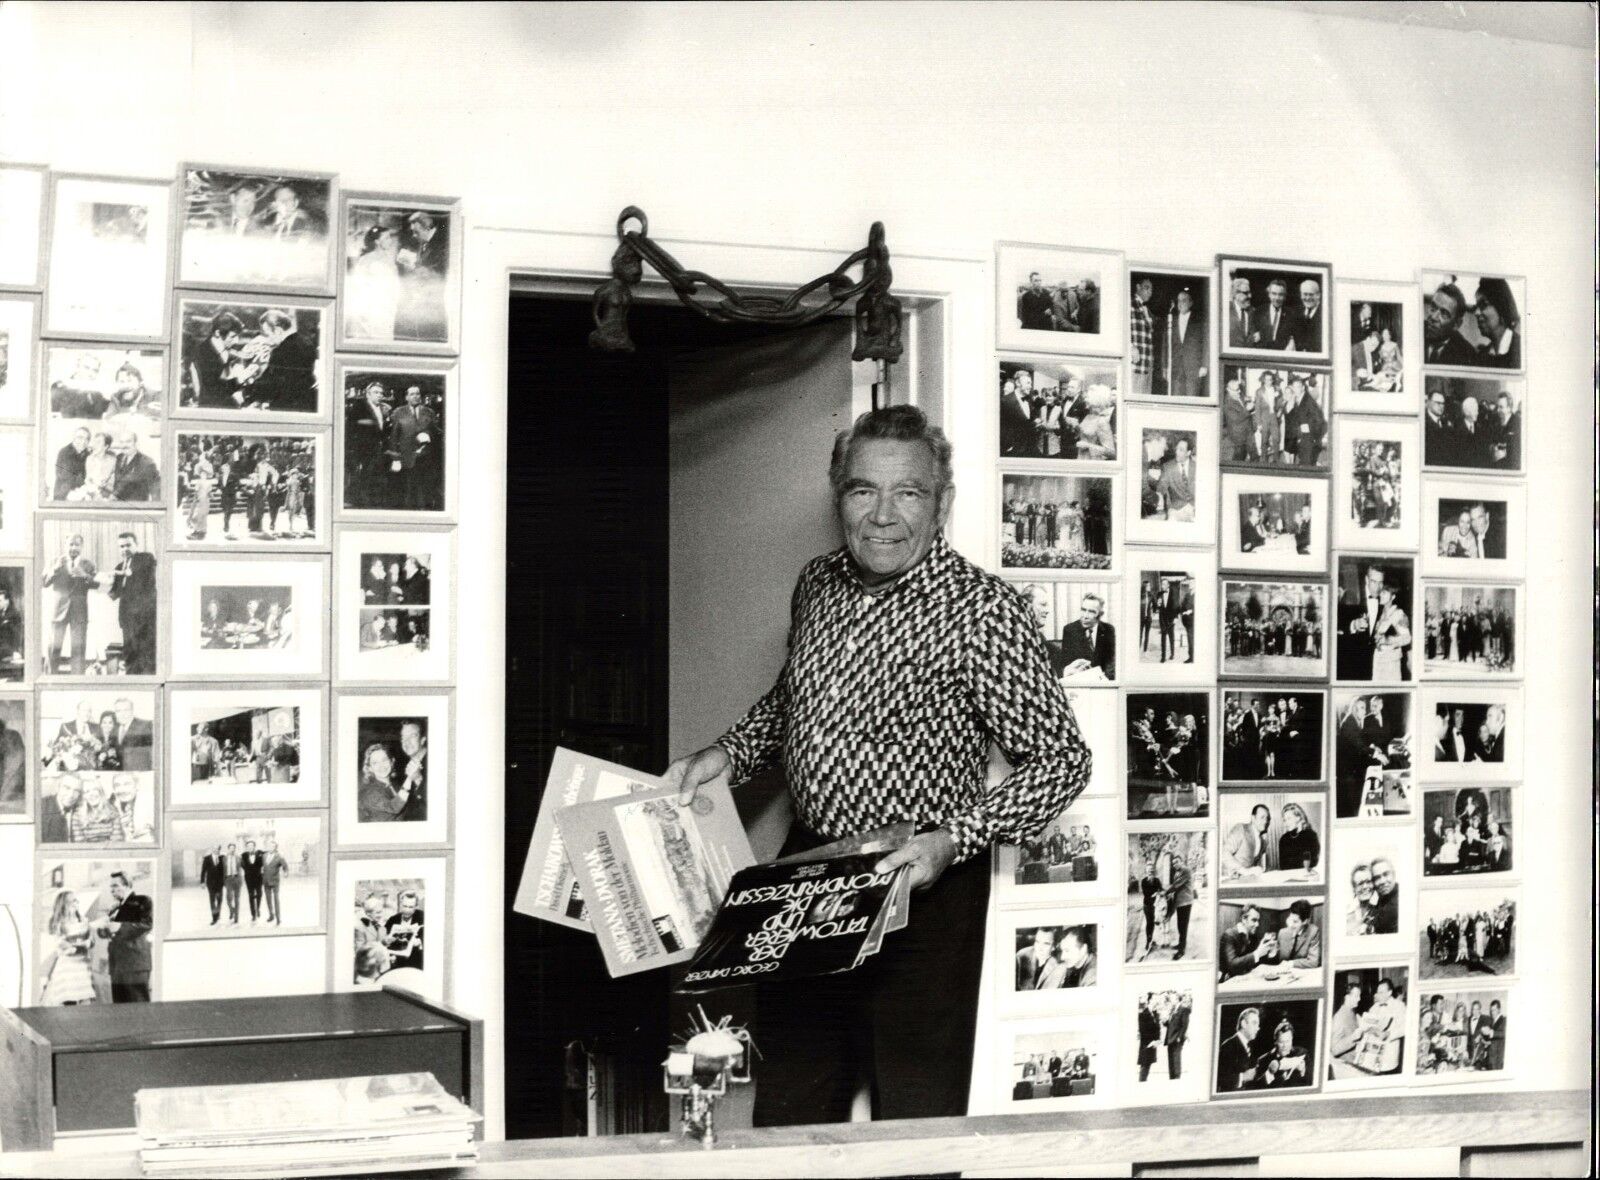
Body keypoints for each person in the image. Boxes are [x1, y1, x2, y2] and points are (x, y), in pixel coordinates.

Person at [664, 405, 1090, 1127]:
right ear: (839, 498)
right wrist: (724, 756)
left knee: (914, 1118)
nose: (883, 515)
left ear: (942, 502)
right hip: (813, 870)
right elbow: (791, 700)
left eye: (909, 492)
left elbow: (1061, 759)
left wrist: (950, 840)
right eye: (864, 490)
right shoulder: (818, 583)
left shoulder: (982, 611)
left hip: (922, 884)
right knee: (793, 1104)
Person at [43, 534, 97, 675]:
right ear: (65, 545)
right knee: (53, 648)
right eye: (70, 544)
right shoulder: (55, 561)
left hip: (79, 612)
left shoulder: (88, 564)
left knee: (78, 650)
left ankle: (77, 682)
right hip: (58, 611)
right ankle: (50, 680)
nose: (73, 547)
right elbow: (44, 582)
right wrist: (55, 569)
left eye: (77, 544)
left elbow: (96, 584)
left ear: (82, 547)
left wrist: (84, 575)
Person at [107, 531, 158, 675]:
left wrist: (125, 573)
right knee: (130, 657)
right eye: (121, 546)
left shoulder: (145, 558)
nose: (125, 549)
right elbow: (114, 594)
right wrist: (96, 579)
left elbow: (139, 574)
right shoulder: (118, 567)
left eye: (128, 545)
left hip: (145, 619)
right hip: (127, 619)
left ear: (136, 545)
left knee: (147, 657)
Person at [250, 309, 319, 412]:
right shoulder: (307, 343)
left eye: (267, 334)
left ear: (278, 330)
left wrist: (248, 392)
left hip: (286, 407)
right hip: (309, 404)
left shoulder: (281, 351)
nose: (268, 340)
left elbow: (271, 383)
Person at [99, 870, 152, 1002]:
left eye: (115, 886)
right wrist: (104, 928)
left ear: (127, 885)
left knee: (138, 1010)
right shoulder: (114, 908)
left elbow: (147, 924)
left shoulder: (142, 900)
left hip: (134, 965)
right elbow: (109, 933)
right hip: (117, 966)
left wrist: (120, 926)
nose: (112, 890)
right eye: (110, 886)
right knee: (120, 1011)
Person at [389, 384, 441, 510]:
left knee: (425, 490)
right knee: (407, 491)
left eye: (418, 394)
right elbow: (393, 437)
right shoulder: (398, 412)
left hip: (426, 458)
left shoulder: (429, 412)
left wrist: (428, 435)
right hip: (406, 458)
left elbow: (438, 432)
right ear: (406, 397)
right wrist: (395, 458)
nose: (415, 396)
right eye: (412, 394)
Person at [346, 225, 403, 341]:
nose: (390, 241)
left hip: (388, 310)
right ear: (377, 241)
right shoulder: (366, 260)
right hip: (372, 311)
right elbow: (358, 286)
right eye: (386, 238)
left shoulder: (390, 260)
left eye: (390, 237)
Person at [39, 891, 97, 1005]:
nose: (76, 903)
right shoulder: (59, 923)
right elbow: (59, 942)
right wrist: (73, 946)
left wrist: (88, 943)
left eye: (76, 900)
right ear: (63, 904)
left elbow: (92, 940)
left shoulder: (84, 920)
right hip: (67, 966)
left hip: (82, 966)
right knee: (68, 999)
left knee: (85, 999)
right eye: (72, 901)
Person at [1156, 287, 1207, 398]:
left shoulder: (1199, 322)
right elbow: (1165, 345)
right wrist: (1165, 367)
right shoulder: (1171, 321)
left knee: (1192, 400)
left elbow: (1206, 344)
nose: (1180, 303)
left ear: (1190, 303)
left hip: (1193, 368)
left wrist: (1204, 365)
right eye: (1178, 301)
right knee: (1176, 399)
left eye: (1184, 300)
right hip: (1176, 368)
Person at [188, 311, 246, 407]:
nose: (237, 341)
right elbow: (214, 391)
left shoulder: (226, 349)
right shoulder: (203, 353)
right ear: (217, 333)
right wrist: (241, 378)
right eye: (233, 336)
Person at [1059, 593, 1115, 680]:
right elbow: (1065, 664)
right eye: (1083, 610)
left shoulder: (1109, 630)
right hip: (1079, 681)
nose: (1085, 616)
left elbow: (1111, 664)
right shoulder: (1070, 630)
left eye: (1091, 612)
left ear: (1100, 614)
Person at [1422, 280, 1476, 365]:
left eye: (1444, 313)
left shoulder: (1467, 354)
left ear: (1456, 324)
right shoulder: (1413, 331)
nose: (1433, 317)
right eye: (1433, 307)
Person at [358, 742, 415, 822]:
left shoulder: (396, 786)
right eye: (375, 763)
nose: (381, 765)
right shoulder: (369, 792)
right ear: (370, 768)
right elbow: (394, 807)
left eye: (384, 760)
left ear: (392, 762)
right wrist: (410, 778)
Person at [1472, 278, 1521, 369]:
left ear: (1502, 307)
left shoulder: (1521, 350)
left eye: (1484, 305)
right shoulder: (1482, 357)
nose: (1476, 313)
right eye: (1477, 307)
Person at [1219, 904, 1276, 981]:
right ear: (1244, 919)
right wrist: (1258, 953)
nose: (1257, 924)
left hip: (1247, 978)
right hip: (1230, 980)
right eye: (1254, 920)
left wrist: (1270, 952)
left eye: (1258, 921)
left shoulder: (1253, 936)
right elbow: (1232, 964)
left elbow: (1257, 961)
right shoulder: (1229, 935)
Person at [1281, 376, 1326, 466]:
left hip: (1308, 440)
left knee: (1306, 465)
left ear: (1302, 388)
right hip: (1300, 439)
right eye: (1293, 387)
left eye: (1297, 387)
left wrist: (1309, 428)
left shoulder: (1308, 401)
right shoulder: (1298, 399)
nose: (1295, 390)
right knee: (1302, 463)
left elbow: (1320, 421)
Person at [1217, 1008, 1261, 1092]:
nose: (1258, 1028)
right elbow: (1219, 1078)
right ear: (1244, 1024)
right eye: (1254, 1023)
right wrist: (1243, 1077)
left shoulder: (1248, 1046)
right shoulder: (1228, 1045)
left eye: (1258, 1024)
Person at [1258, 1019, 1309, 1088]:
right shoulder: (1263, 1060)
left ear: (1292, 1039)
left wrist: (1302, 1071)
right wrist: (1269, 1073)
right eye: (1281, 1042)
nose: (1285, 1046)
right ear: (1275, 1042)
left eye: (1288, 1041)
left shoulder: (1302, 1053)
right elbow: (1258, 1088)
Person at [1272, 899, 1322, 968]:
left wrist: (1291, 963)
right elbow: (1275, 959)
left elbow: (1313, 962)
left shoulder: (1313, 931)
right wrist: (1271, 953)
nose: (1290, 925)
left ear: (1305, 921)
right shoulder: (1282, 932)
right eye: (1290, 919)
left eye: (1295, 921)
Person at [1155, 437, 1196, 521]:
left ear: (1188, 452)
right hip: (1176, 510)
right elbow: (1160, 488)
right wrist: (1160, 501)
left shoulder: (1197, 467)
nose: (1177, 452)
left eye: (1181, 450)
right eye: (1177, 449)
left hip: (1195, 509)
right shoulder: (1168, 467)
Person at [1224, 804, 1270, 879]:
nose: (1265, 821)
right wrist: (1244, 871)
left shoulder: (1262, 841)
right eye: (1262, 817)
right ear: (1253, 818)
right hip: (1231, 878)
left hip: (1247, 880)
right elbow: (1225, 852)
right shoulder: (1241, 829)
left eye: (1267, 818)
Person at [383, 889, 425, 971]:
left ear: (416, 906)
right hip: (396, 962)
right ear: (400, 904)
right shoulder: (393, 919)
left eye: (411, 907)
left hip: (416, 962)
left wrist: (420, 942)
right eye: (404, 906)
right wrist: (388, 940)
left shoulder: (423, 917)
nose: (407, 910)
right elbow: (384, 938)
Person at [1250, 278, 1293, 350]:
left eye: (1280, 294)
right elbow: (1252, 336)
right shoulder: (1259, 312)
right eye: (1274, 293)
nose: (1277, 298)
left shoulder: (1291, 314)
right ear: (1269, 294)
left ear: (1285, 296)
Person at [1278, 802, 1320, 871]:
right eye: (1284, 820)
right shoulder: (1284, 839)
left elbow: (1313, 863)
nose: (1286, 823)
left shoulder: (1311, 836)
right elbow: (1283, 866)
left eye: (1289, 818)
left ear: (1298, 817)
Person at [53, 427, 91, 501]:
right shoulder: (65, 452)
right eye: (80, 438)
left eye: (87, 439)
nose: (83, 441)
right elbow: (65, 475)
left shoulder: (87, 453)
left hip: (81, 492)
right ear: (74, 438)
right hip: (64, 494)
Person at [260, 837, 288, 926]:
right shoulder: (264, 856)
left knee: (276, 900)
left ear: (276, 847)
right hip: (265, 881)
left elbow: (285, 866)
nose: (271, 847)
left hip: (275, 881)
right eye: (269, 846)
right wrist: (261, 871)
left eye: (273, 846)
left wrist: (286, 872)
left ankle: (278, 918)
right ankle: (271, 915)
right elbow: (263, 866)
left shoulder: (279, 856)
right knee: (268, 899)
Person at [1290, 279, 1322, 353]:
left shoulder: (1324, 314)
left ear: (1318, 295)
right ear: (1301, 295)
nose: (1307, 298)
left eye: (1311, 294)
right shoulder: (1297, 313)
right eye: (1305, 294)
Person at [199, 844, 227, 926]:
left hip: (220, 883)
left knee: (219, 900)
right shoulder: (207, 858)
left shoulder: (222, 858)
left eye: (217, 849)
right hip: (210, 883)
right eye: (214, 849)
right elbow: (203, 871)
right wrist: (202, 882)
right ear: (211, 849)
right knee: (212, 900)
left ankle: (218, 914)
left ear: (219, 850)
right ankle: (214, 917)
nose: (216, 850)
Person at [241, 839, 265, 924]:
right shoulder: (243, 855)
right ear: (247, 847)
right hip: (249, 879)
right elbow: (242, 865)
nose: (250, 847)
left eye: (251, 846)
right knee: (251, 896)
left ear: (254, 847)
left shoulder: (260, 853)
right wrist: (248, 871)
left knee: (259, 894)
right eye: (248, 846)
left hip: (258, 878)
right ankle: (253, 914)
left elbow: (268, 853)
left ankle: (257, 908)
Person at [1136, 996, 1160, 1081]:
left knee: (1147, 1067)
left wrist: (1157, 1040)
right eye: (1154, 1000)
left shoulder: (1155, 1014)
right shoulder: (1143, 1014)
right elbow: (1143, 1031)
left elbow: (1157, 1029)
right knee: (1144, 1067)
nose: (1156, 1002)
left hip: (1152, 1045)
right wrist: (1151, 1041)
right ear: (1149, 1001)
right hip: (1146, 1046)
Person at [223, 842, 243, 925]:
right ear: (228, 849)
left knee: (237, 899)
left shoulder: (239, 857)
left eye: (233, 848)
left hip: (237, 879)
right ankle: (232, 910)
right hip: (228, 880)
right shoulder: (224, 858)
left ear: (235, 849)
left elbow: (245, 866)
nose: (232, 849)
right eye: (230, 848)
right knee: (228, 898)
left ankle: (236, 918)